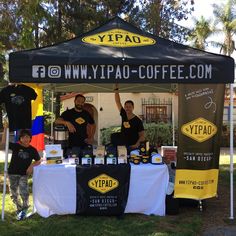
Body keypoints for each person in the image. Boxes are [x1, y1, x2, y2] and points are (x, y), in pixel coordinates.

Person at [0, 123, 41, 220]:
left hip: (23, 174)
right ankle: (19, 209)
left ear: (30, 138)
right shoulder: (16, 146)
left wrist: (31, 166)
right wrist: (6, 128)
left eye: (27, 137)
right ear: (20, 139)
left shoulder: (32, 150)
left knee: (24, 192)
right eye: (23, 137)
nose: (26, 139)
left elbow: (39, 160)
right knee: (13, 194)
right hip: (12, 173)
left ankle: (25, 207)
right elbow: (2, 145)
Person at [114, 84, 145, 151]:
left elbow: (142, 136)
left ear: (133, 107)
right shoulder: (123, 114)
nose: (127, 108)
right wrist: (116, 90)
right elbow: (117, 101)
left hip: (133, 146)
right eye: (126, 106)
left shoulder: (138, 120)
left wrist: (136, 145)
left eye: (129, 107)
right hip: (122, 146)